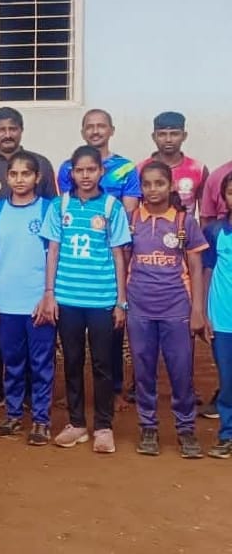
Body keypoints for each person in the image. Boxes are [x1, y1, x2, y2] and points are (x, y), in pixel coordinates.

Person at [39, 145, 131, 453]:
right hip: (67, 298)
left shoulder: (111, 207)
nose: (86, 175)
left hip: (102, 299)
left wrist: (121, 300)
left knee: (104, 363)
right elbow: (52, 251)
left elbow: (119, 254)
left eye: (91, 169)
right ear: (71, 173)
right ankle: (76, 423)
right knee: (73, 361)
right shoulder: (59, 205)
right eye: (80, 170)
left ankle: (103, 426)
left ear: (100, 172)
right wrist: (50, 293)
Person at [57, 109, 140, 410]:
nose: (95, 131)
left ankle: (114, 391)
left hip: (112, 250)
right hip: (75, 273)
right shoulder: (66, 167)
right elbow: (67, 213)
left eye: (101, 126)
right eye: (89, 126)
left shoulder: (126, 167)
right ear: (82, 131)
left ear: (111, 129)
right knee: (73, 349)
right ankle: (75, 402)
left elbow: (128, 213)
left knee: (110, 344)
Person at [127, 162, 206, 458]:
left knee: (181, 371)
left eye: (159, 183)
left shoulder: (185, 222)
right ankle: (148, 427)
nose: (152, 189)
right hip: (140, 309)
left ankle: (186, 429)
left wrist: (197, 309)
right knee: (143, 370)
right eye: (147, 184)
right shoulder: (132, 219)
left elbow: (196, 268)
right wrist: (124, 304)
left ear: (171, 185)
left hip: (176, 308)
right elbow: (124, 262)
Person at [0, 152, 56, 445]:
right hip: (6, 301)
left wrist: (48, 296)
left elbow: (53, 256)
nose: (20, 179)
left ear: (37, 178)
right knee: (12, 362)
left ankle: (40, 420)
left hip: (38, 302)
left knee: (41, 363)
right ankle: (12, 415)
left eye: (27, 174)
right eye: (15, 174)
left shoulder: (48, 209)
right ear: (7, 177)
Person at [203, 171, 232, 459]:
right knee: (228, 380)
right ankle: (227, 434)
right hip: (223, 320)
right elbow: (207, 272)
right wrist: (202, 312)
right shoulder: (216, 232)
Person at [138, 112, 208, 215]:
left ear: (184, 136)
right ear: (154, 137)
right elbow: (134, 212)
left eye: (174, 134)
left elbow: (204, 213)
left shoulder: (199, 170)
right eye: (162, 134)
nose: (168, 140)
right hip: (150, 229)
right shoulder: (140, 169)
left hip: (186, 230)